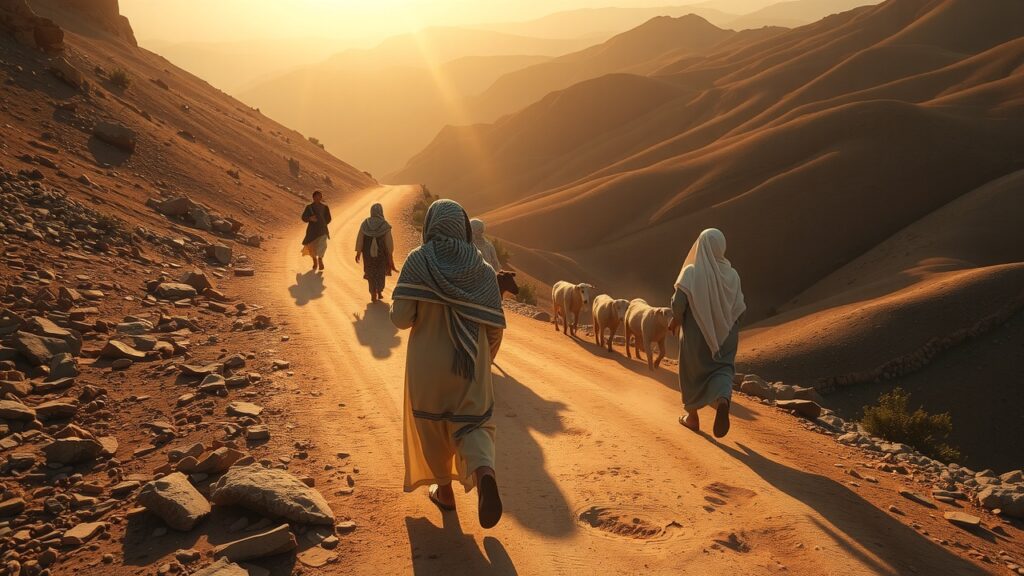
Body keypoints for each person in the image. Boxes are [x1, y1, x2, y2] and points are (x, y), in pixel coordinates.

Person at [390, 199, 507, 529]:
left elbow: (401, 319)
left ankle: (445, 492)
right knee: (473, 425)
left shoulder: (418, 261)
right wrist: (484, 363)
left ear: (430, 226)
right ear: (465, 228)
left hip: (427, 369)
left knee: (433, 427)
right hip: (470, 365)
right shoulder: (482, 269)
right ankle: (484, 474)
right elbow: (495, 329)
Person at [672, 228, 746, 438]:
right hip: (727, 334)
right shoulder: (732, 274)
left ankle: (692, 417)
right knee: (722, 370)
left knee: (691, 372)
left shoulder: (691, 272)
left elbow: (679, 304)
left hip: (697, 336)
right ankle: (722, 399)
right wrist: (725, 326)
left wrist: (676, 319)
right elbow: (740, 307)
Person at [355, 203, 397, 302]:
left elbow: (360, 238)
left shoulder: (365, 223)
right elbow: (389, 241)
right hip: (381, 254)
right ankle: (379, 292)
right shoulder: (385, 225)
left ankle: (372, 292)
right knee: (380, 272)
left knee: (370, 272)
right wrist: (390, 253)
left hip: (367, 254)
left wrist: (358, 252)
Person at [300, 190, 332, 271]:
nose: (318, 198)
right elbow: (304, 218)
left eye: (319, 196)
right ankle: (315, 260)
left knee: (322, 245)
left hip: (323, 230)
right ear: (313, 197)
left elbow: (329, 218)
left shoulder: (325, 207)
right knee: (312, 247)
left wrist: (323, 223)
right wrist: (310, 218)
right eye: (316, 196)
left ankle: (320, 259)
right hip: (312, 231)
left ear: (321, 198)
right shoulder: (309, 207)